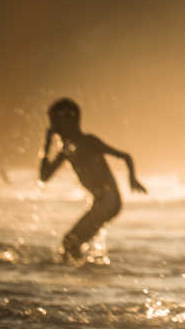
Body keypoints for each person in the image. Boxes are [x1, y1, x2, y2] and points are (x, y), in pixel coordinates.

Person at [39, 98, 147, 260]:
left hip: (109, 200)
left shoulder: (89, 142)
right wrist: (47, 144)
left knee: (70, 242)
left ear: (70, 121)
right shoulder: (66, 151)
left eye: (55, 122)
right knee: (72, 243)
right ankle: (84, 268)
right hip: (101, 201)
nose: (53, 128)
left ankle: (78, 271)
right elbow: (43, 177)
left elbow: (125, 156)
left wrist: (132, 178)